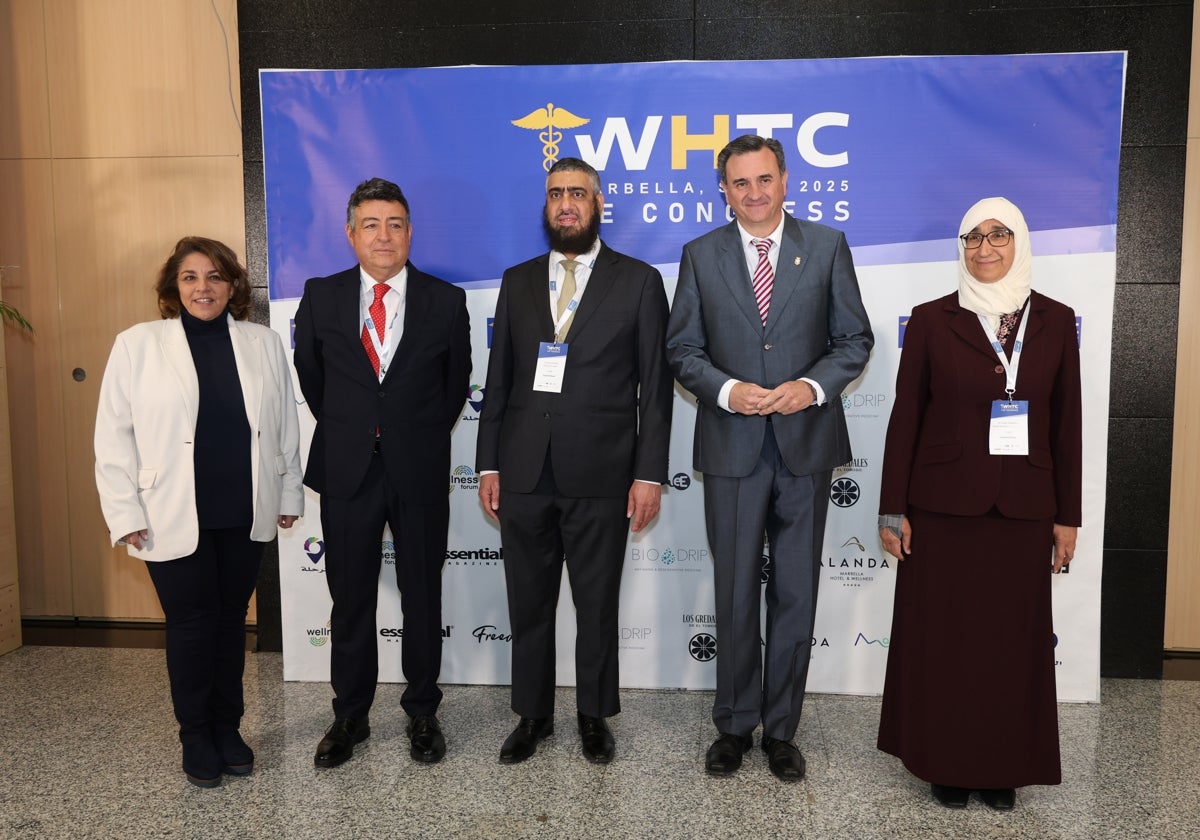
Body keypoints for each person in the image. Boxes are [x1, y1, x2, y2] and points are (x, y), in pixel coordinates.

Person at [666, 135, 873, 781]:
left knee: (794, 593)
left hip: (804, 445)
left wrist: (808, 387)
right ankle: (733, 724)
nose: (753, 194)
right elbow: (682, 349)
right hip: (732, 446)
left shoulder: (828, 246)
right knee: (732, 594)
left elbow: (853, 338)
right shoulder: (700, 255)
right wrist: (729, 391)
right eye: (739, 183)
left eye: (763, 180)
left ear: (785, 180)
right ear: (723, 189)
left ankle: (781, 730)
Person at [876, 196, 1081, 811]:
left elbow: (1066, 424)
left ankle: (1003, 768)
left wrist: (1067, 514)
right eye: (972, 237)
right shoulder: (932, 319)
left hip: (1023, 510)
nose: (984, 248)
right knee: (944, 640)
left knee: (1011, 644)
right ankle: (944, 762)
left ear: (1019, 243)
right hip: (941, 510)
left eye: (998, 236)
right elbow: (905, 417)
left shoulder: (1056, 319)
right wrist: (892, 507)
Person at [475, 157, 672, 765]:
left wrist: (648, 473)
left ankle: (593, 716)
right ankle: (532, 715)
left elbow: (656, 388)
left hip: (603, 474)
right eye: (556, 194)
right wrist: (487, 464)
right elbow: (499, 380)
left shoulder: (638, 282)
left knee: (596, 603)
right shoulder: (517, 280)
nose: (566, 204)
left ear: (598, 203)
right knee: (527, 602)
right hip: (525, 472)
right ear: (546, 204)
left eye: (577, 194)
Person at [94, 236, 304, 788]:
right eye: (190, 278)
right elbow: (113, 438)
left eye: (214, 277)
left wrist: (287, 494)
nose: (203, 288)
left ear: (233, 285)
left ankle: (227, 728)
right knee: (190, 625)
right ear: (173, 288)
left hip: (242, 505)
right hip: (166, 509)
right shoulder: (137, 345)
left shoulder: (262, 343)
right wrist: (124, 512)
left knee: (231, 621)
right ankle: (194, 734)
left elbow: (282, 426)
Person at [293, 177, 471, 769]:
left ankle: (422, 712)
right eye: (371, 224)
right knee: (349, 600)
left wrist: (404, 434)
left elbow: (452, 393)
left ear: (410, 232)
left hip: (417, 469)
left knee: (423, 596)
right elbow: (314, 380)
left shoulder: (446, 301)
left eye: (395, 224)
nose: (384, 235)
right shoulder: (319, 296)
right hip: (347, 471)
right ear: (350, 234)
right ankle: (350, 716)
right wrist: (358, 429)